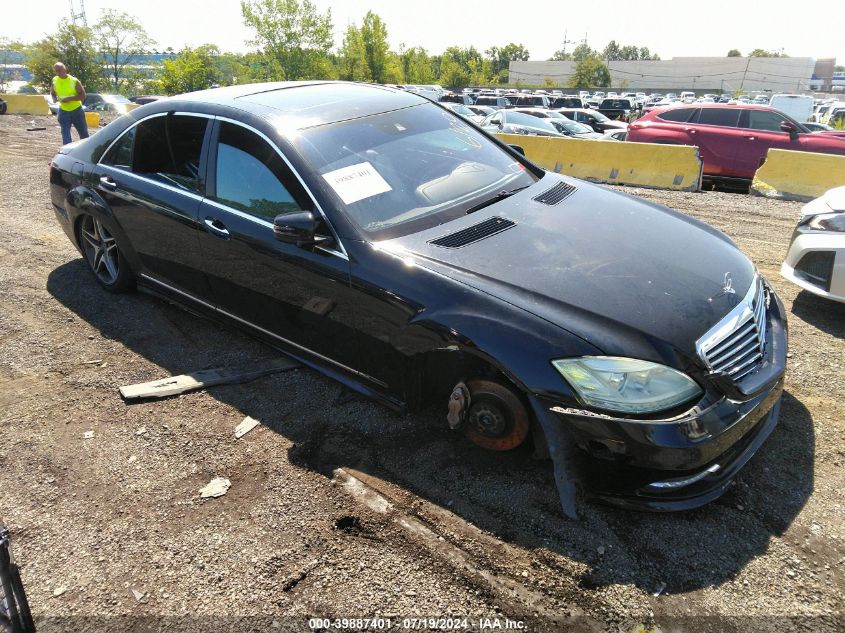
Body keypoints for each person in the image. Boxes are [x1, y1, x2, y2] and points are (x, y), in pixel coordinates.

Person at [50, 62, 88, 145]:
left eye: (60, 70)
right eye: (56, 71)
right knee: (65, 135)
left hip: (76, 110)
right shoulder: (55, 80)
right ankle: (67, 151)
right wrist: (54, 99)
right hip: (63, 111)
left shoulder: (74, 81)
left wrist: (70, 99)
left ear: (65, 69)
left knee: (84, 134)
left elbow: (83, 96)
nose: (58, 73)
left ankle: (86, 150)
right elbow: (52, 92)